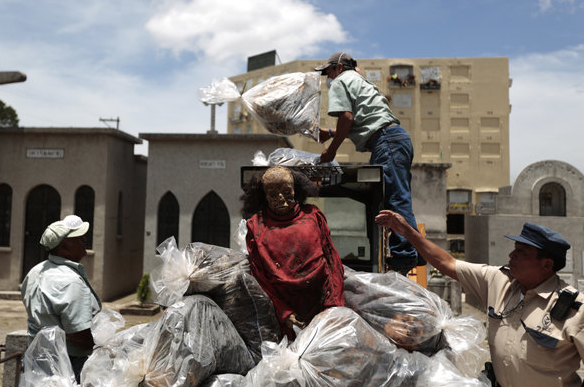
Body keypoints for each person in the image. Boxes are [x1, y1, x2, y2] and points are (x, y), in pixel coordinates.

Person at [375, 209, 584, 387]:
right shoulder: (498, 280)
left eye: (522, 252)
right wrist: (407, 232)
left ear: (546, 265)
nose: (511, 255)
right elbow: (446, 263)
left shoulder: (574, 309)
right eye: (514, 250)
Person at [315, 52, 421, 274]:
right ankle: (411, 253)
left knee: (395, 199)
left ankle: (403, 259)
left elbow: (347, 118)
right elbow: (368, 117)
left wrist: (331, 150)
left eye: (329, 71)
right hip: (393, 139)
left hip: (387, 142)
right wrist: (332, 132)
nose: (328, 77)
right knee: (392, 197)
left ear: (340, 67)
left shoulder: (341, 81)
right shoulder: (361, 81)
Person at [241, 166, 345, 339]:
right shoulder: (256, 225)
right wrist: (283, 312)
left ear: (296, 191)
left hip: (319, 303)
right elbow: (259, 277)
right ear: (264, 196)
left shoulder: (313, 216)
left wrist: (332, 306)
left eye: (286, 192)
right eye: (273, 194)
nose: (281, 198)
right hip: (281, 312)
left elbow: (332, 262)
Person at [21, 215, 101, 383]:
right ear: (64, 247)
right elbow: (77, 334)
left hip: (38, 361)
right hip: (69, 365)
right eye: (78, 238)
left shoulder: (35, 271)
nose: (84, 239)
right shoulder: (71, 281)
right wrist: (102, 347)